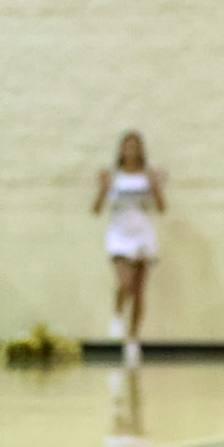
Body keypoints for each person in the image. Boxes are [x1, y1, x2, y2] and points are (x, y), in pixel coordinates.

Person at [94, 131, 166, 366]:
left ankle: (133, 339)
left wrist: (156, 186)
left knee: (138, 290)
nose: (131, 151)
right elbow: (96, 209)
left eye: (136, 146)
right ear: (121, 150)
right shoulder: (113, 176)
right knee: (124, 282)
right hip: (119, 235)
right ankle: (116, 314)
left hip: (142, 233)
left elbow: (161, 208)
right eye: (127, 146)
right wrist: (102, 189)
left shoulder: (148, 174)